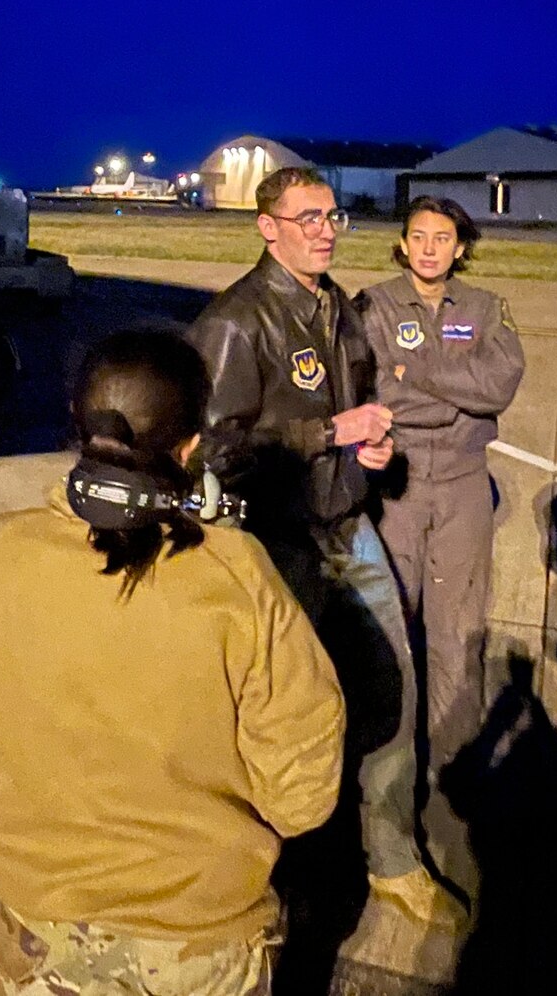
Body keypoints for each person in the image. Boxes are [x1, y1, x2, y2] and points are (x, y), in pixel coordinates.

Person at [0, 330, 344, 995]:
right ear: (190, 447)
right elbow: (303, 793)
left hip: (31, 929)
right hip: (199, 947)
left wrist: (37, 794)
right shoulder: (240, 578)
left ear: (77, 427)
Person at [188, 166, 453, 937]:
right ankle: (264, 878)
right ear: (267, 227)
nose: (324, 229)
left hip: (348, 525)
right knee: (280, 718)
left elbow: (353, 410)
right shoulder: (237, 322)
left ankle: (394, 858)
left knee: (389, 688)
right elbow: (211, 451)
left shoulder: (335, 306)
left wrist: (368, 450)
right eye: (306, 217)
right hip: (278, 544)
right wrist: (326, 437)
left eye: (332, 215)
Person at [353, 195, 524, 889]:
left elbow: (500, 385)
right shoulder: (372, 304)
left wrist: (412, 375)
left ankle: (452, 814)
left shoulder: (485, 308)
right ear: (402, 243)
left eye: (443, 238)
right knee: (391, 648)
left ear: (461, 247)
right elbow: (374, 396)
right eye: (418, 236)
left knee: (458, 643)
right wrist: (442, 392)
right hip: (395, 483)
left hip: (460, 488)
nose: (429, 248)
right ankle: (384, 824)